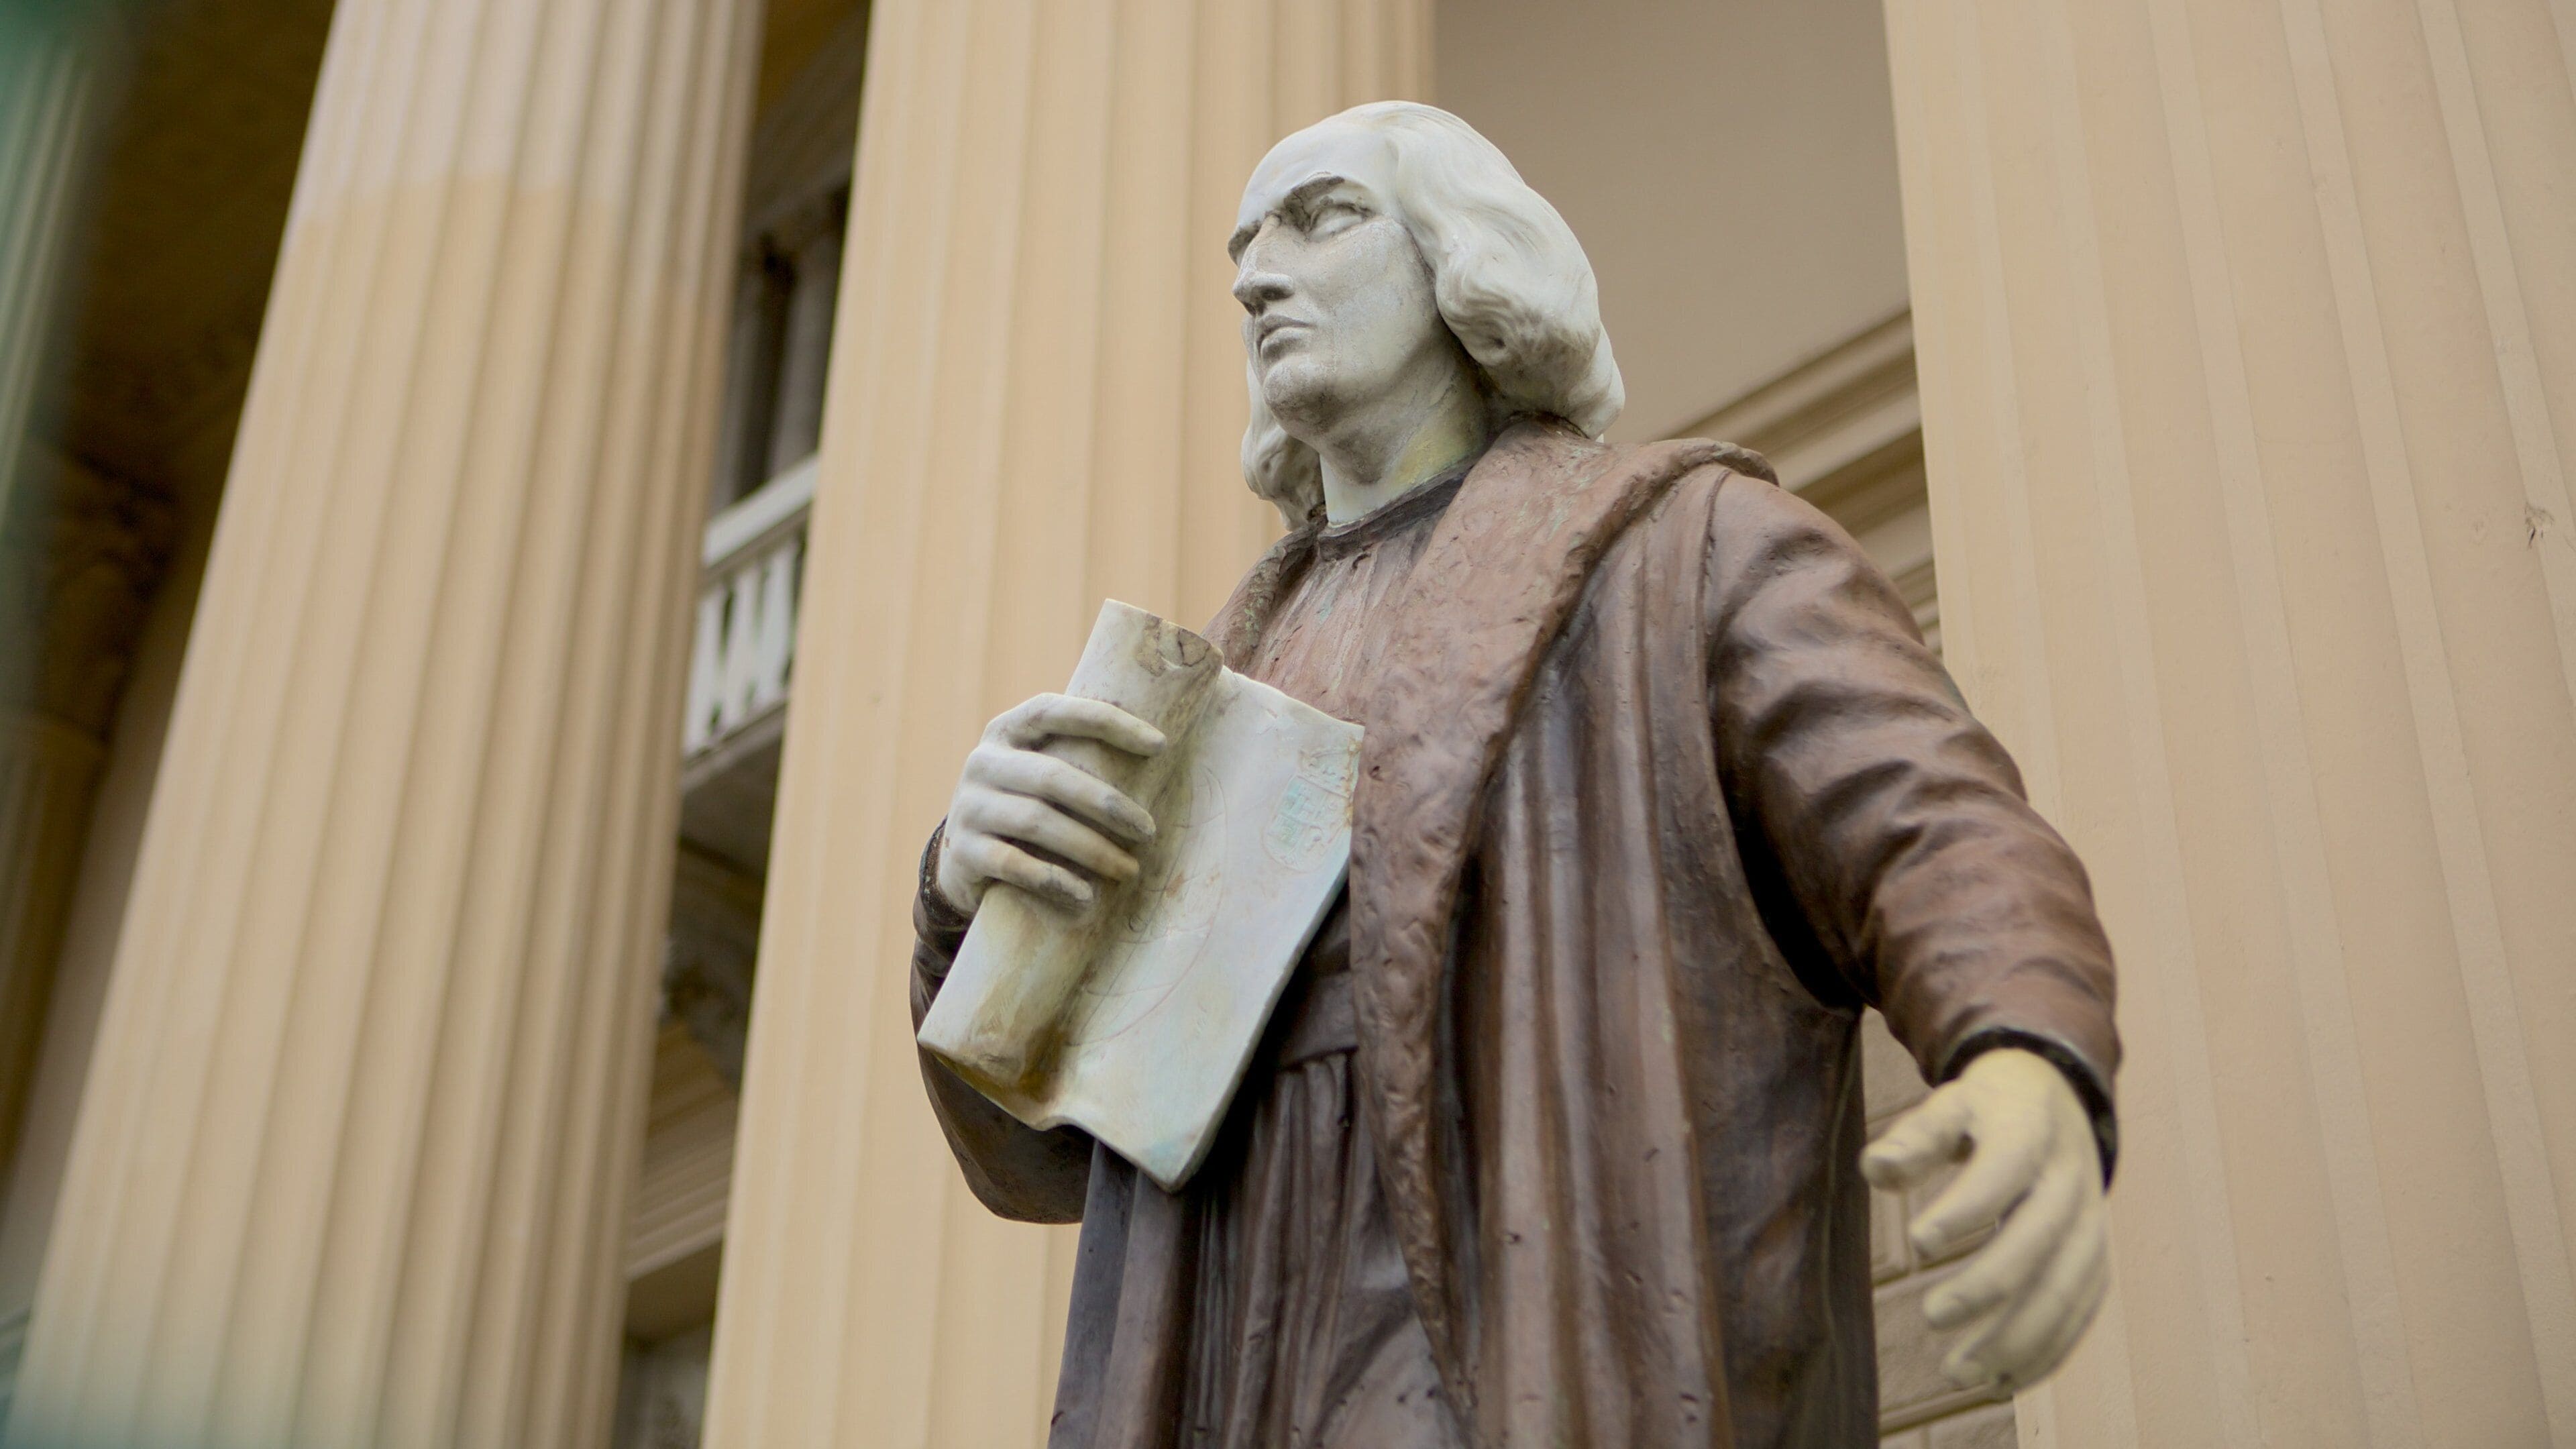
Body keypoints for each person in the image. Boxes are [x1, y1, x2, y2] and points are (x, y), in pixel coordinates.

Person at [912, 101, 2118, 1449]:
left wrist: (2024, 1049)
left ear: (1463, 260)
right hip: (1232, 1324)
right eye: (1244, 247)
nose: (1256, 275)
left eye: (1323, 218)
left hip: (1515, 1286)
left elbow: (1929, 823)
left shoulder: (1686, 554)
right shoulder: (1215, 680)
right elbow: (1042, 1156)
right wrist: (976, 899)